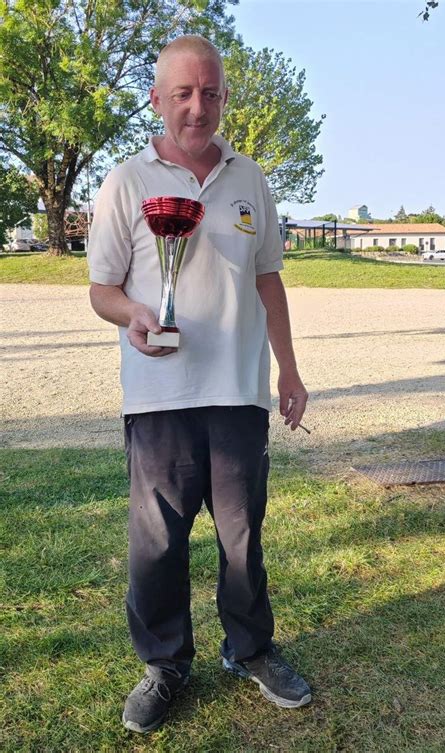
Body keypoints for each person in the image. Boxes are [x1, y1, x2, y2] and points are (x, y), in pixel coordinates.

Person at [87, 35, 310, 734]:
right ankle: (164, 664)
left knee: (243, 536)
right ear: (156, 99)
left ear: (223, 96)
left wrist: (289, 368)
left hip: (238, 390)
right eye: (182, 92)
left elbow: (268, 278)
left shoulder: (250, 179)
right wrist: (132, 314)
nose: (197, 106)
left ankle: (250, 647)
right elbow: (101, 288)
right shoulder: (127, 180)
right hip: (157, 393)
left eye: (209, 92)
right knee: (157, 542)